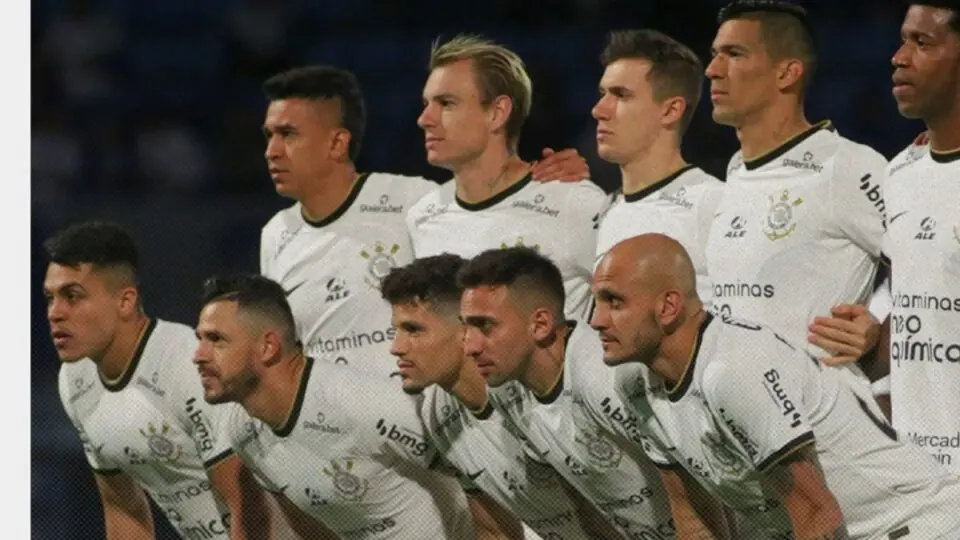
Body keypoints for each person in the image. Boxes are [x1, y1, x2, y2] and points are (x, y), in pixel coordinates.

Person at [590, 233, 960, 539]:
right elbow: (694, 518)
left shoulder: (731, 371)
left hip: (915, 524)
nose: (596, 320)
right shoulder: (635, 385)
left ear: (668, 307)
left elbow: (817, 515)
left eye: (614, 302)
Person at [259, 65, 589, 377]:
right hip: (333, 414)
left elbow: (490, 212)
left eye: (287, 134)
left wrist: (551, 177)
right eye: (269, 135)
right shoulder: (276, 235)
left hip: (421, 409)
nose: (271, 151)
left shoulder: (413, 201)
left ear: (337, 143)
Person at [192, 273, 477, 539]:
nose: (198, 356)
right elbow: (311, 528)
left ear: (268, 347)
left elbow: (481, 472)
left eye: (216, 340)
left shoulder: (361, 403)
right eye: (200, 339)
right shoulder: (242, 431)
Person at [704, 0, 891, 404]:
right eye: (714, 54)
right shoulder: (736, 170)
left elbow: (936, 261)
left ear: (787, 72)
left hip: (821, 425)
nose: (712, 69)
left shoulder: (847, 166)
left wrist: (881, 334)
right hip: (740, 424)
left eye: (734, 54)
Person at [43, 220, 271, 539]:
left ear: (125, 301)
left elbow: (249, 506)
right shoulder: (74, 380)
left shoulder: (187, 365)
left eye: (73, 296)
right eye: (50, 297)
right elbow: (124, 510)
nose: (55, 312)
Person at [381, 254, 621, 540]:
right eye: (395, 330)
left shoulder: (530, 389)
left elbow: (600, 510)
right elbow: (493, 529)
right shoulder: (436, 413)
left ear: (463, 329)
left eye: (413, 330)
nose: (396, 347)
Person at [457, 246, 677, 539]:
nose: (470, 347)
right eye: (466, 327)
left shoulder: (606, 378)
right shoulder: (506, 393)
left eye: (485, 326)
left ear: (540, 325)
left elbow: (697, 493)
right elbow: (584, 500)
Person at [408, 35, 606, 321]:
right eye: (426, 103)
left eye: (446, 103)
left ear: (497, 113)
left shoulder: (575, 203)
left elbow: (633, 305)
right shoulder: (420, 217)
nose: (424, 119)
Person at [878, 0, 960, 471]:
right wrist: (870, 341)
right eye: (903, 41)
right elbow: (915, 312)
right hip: (918, 475)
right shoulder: (901, 172)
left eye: (922, 42)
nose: (899, 58)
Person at [591, 29, 723, 309]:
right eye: (603, 93)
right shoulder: (605, 209)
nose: (599, 110)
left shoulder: (713, 204)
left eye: (621, 95)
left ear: (671, 110)